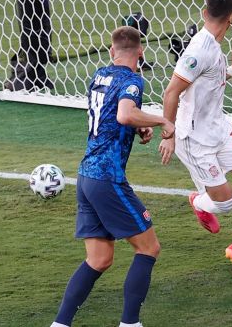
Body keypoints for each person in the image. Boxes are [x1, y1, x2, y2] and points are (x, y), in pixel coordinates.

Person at [50, 26, 174, 327]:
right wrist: (161, 120)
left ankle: (60, 324)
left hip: (86, 177)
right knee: (149, 247)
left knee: (99, 259)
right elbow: (123, 114)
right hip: (107, 178)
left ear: (111, 51)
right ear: (141, 52)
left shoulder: (99, 75)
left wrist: (137, 126)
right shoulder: (133, 80)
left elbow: (112, 115)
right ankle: (130, 324)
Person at [158, 0, 232, 278]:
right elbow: (172, 92)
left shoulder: (212, 46)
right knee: (225, 203)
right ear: (231, 17)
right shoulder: (199, 49)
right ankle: (198, 202)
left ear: (204, 12)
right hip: (194, 139)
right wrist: (168, 134)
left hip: (218, 129)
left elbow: (206, 84)